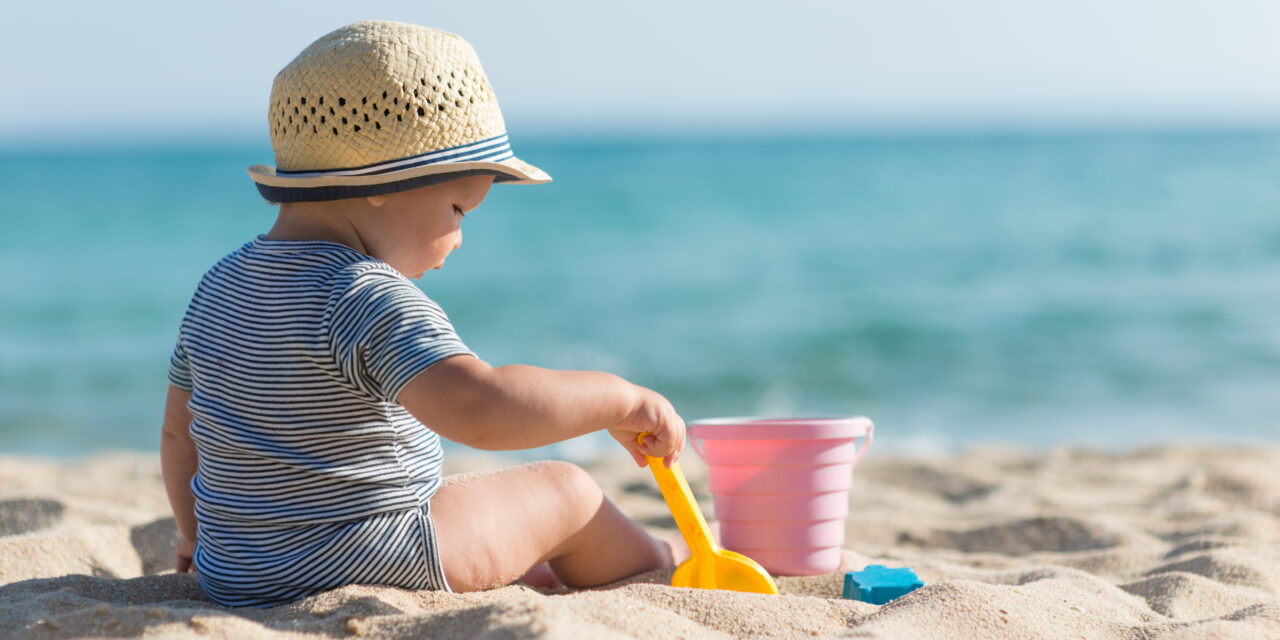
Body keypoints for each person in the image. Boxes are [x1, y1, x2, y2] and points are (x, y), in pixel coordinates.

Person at [160, 20, 686, 608]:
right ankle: (661, 558)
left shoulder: (218, 286)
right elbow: (481, 409)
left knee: (480, 506)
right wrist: (619, 400)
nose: (459, 238)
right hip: (371, 556)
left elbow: (181, 433)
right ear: (382, 183)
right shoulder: (362, 294)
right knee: (567, 491)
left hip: (236, 572)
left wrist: (192, 535)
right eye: (459, 208)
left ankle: (526, 564)